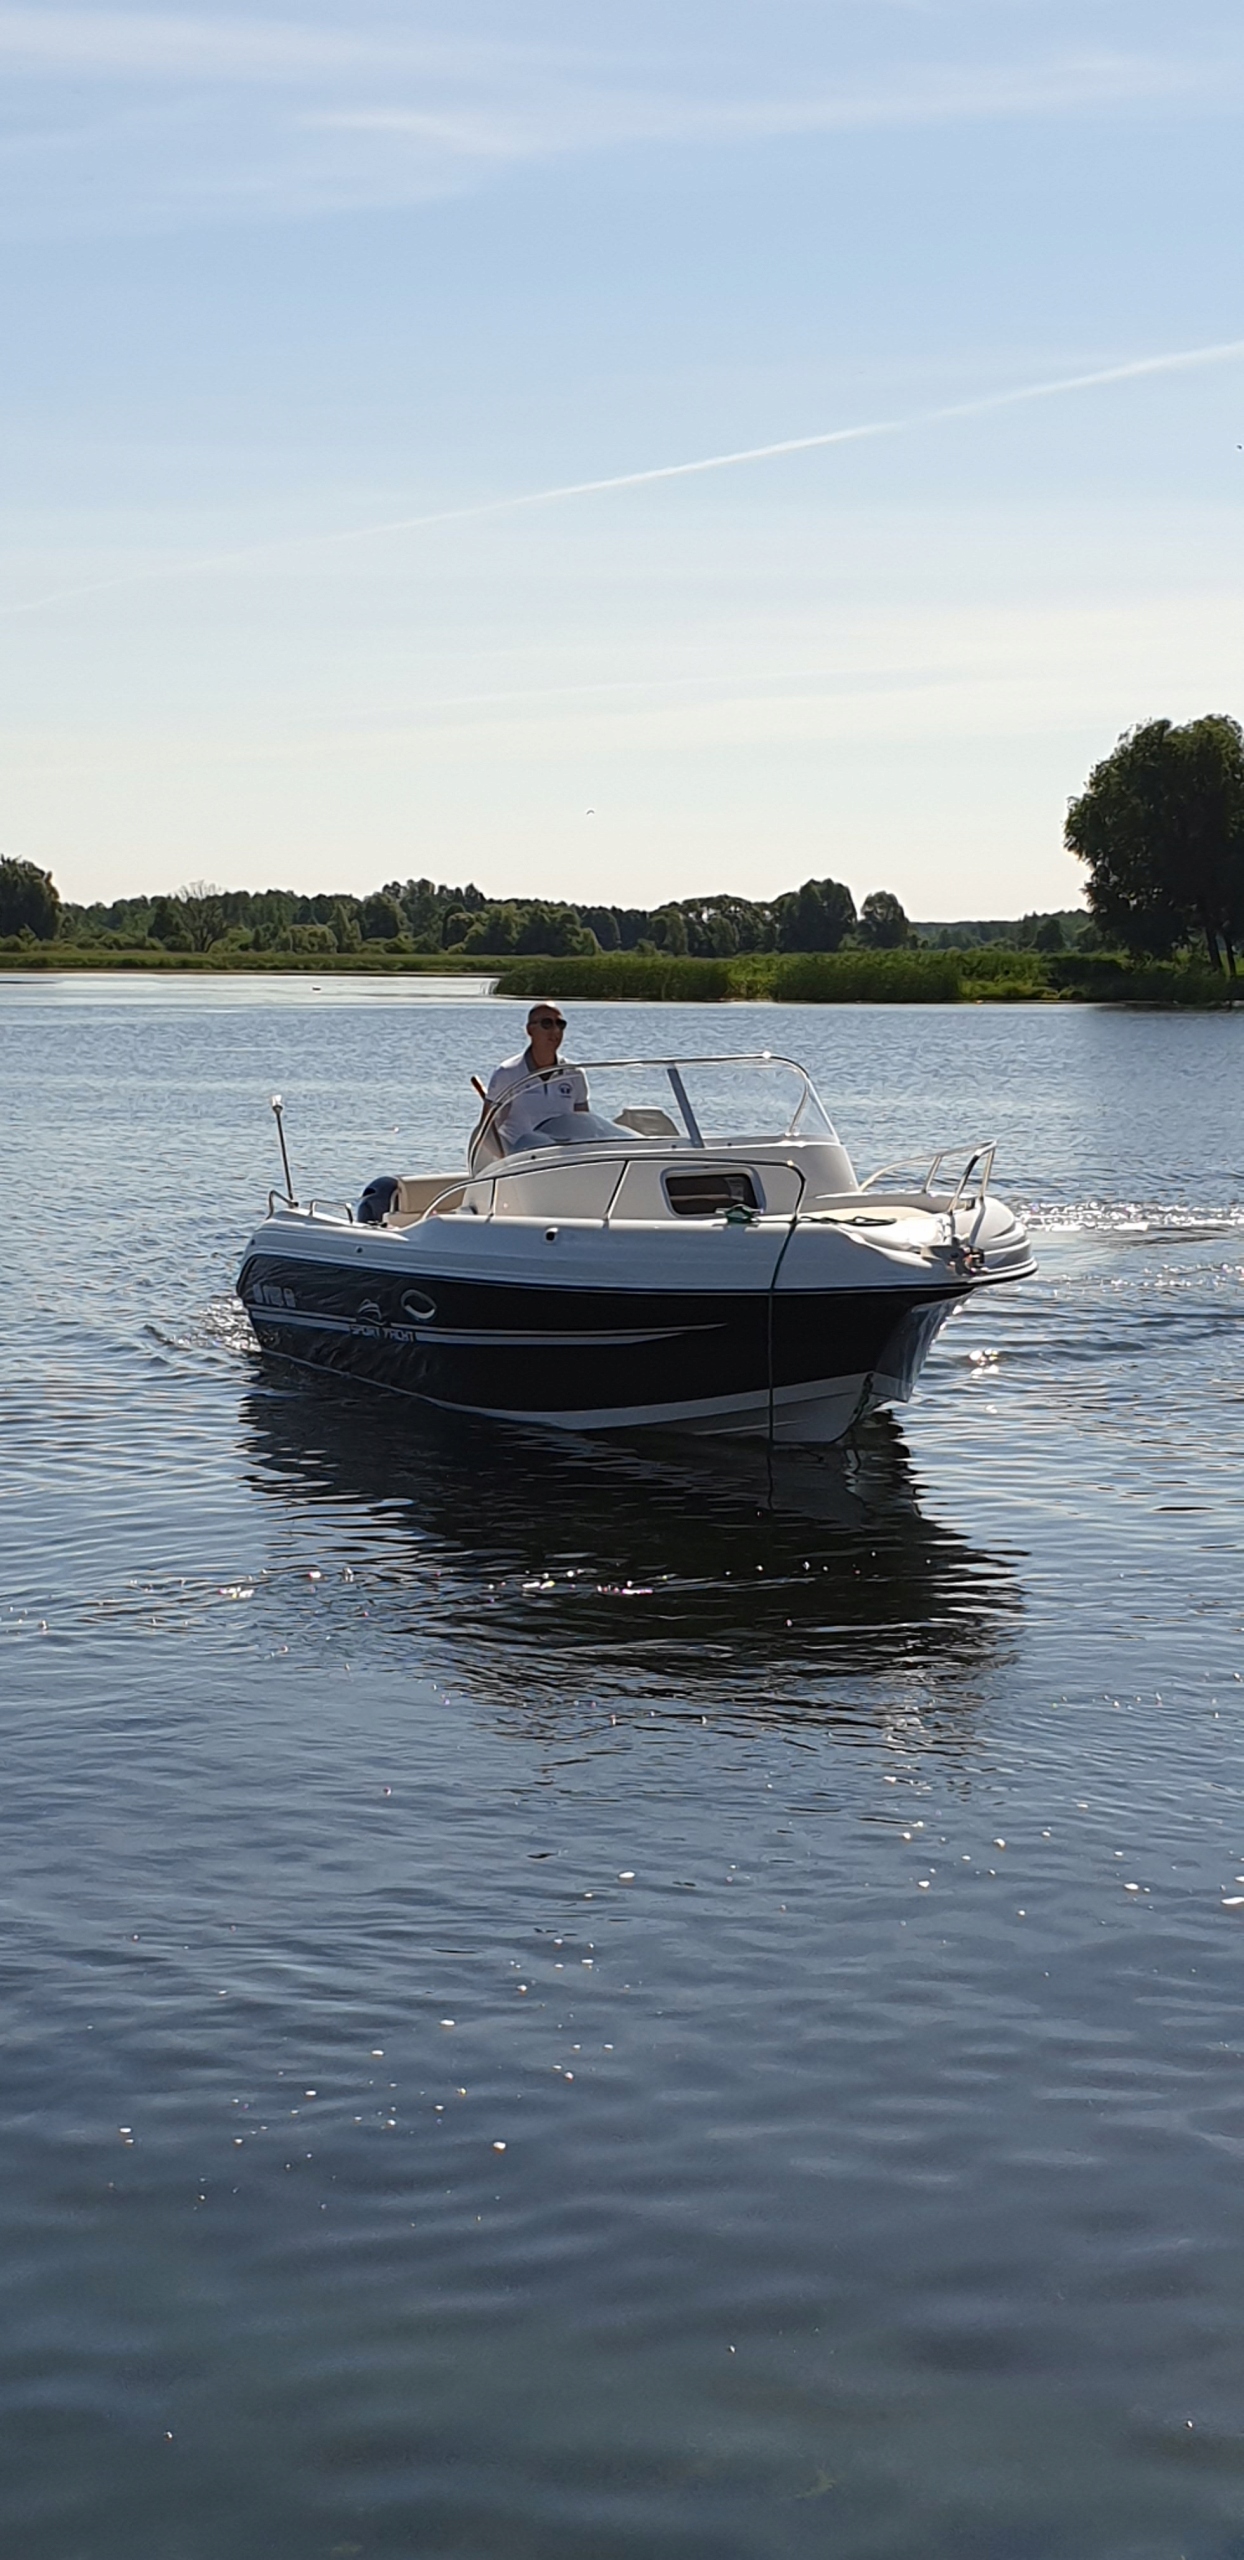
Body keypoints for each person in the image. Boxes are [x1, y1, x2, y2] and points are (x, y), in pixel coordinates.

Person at [483, 1003, 589, 1154]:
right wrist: (506, 1160)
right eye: (547, 1024)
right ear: (530, 1030)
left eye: (560, 1024)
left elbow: (583, 1125)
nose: (555, 1030)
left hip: (561, 1157)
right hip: (521, 1157)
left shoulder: (575, 1074)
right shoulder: (507, 1073)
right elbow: (487, 1130)